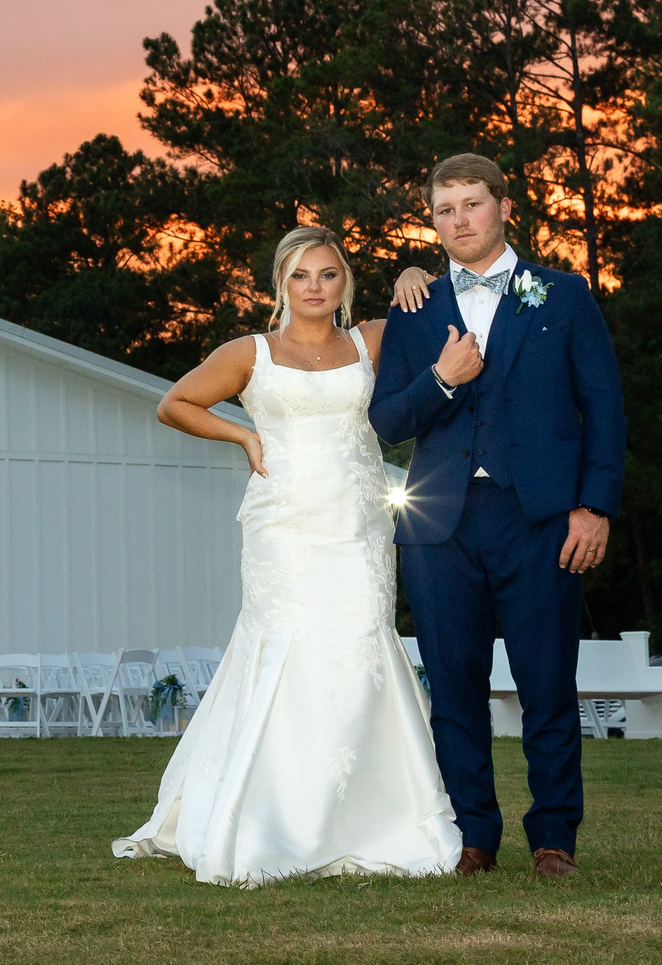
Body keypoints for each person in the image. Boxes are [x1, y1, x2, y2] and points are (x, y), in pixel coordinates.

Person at [113, 224, 462, 886]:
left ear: (344, 282)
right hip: (285, 530)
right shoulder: (250, 351)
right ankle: (272, 816)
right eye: (301, 275)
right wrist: (241, 436)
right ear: (281, 281)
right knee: (289, 648)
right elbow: (175, 401)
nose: (314, 287)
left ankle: (372, 815)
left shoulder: (374, 340)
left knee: (362, 644)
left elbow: (455, 315)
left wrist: (416, 273)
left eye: (327, 274)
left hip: (358, 526)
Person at [371, 154, 626, 880]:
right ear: (433, 219)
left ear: (505, 206)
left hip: (541, 518)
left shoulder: (565, 295)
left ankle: (554, 841)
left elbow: (604, 409)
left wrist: (594, 505)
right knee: (453, 689)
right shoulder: (414, 307)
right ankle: (471, 837)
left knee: (548, 683)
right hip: (439, 525)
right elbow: (387, 419)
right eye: (444, 208)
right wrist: (439, 380)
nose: (459, 218)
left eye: (472, 203)